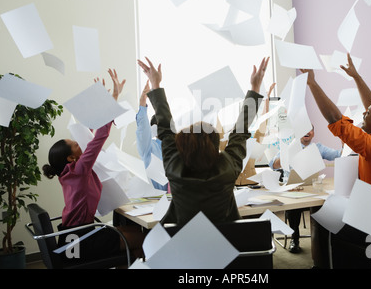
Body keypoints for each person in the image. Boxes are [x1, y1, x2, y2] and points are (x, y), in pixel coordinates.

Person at [303, 53, 371, 268]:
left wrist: (312, 83)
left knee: (326, 222)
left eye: (367, 114)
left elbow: (335, 119)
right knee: (337, 213)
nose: (364, 114)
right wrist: (356, 77)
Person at [137, 56, 269, 226]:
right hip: (226, 248)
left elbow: (165, 129)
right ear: (215, 147)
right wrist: (255, 88)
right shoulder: (227, 168)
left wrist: (155, 84)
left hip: (183, 248)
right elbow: (240, 132)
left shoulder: (174, 168)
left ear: (182, 147)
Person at [42, 69, 145, 263]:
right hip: (83, 242)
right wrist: (111, 100)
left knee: (135, 232)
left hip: (74, 237)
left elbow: (88, 132)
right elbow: (98, 137)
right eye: (74, 144)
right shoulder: (80, 170)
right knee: (145, 238)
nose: (78, 141)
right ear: (71, 158)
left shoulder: (67, 172)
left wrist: (111, 97)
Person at [269, 126, 342, 253]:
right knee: (294, 209)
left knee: (328, 203)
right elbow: (272, 165)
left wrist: (344, 138)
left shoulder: (318, 148)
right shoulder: (290, 146)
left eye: (310, 129)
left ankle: (322, 241)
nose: (307, 132)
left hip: (311, 188)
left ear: (313, 133)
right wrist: (287, 155)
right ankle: (295, 238)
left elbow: (338, 155)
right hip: (293, 189)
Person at [135, 80, 168, 191]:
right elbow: (143, 129)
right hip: (158, 197)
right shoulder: (149, 147)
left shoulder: (177, 146)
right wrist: (142, 103)